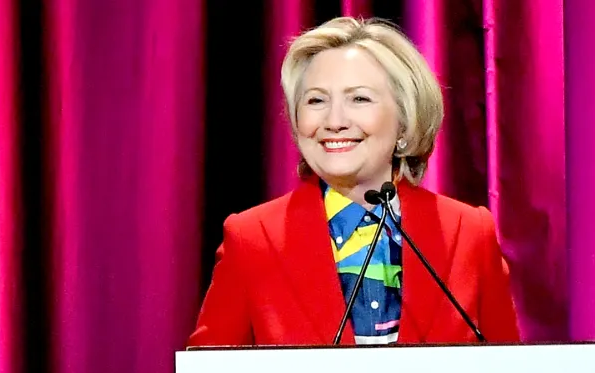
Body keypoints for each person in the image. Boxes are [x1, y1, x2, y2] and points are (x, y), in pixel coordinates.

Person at [188, 17, 519, 347]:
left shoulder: (470, 233)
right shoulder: (251, 240)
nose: (334, 121)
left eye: (359, 99)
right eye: (316, 101)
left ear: (404, 122)